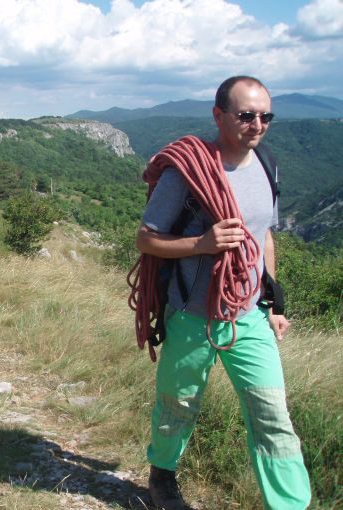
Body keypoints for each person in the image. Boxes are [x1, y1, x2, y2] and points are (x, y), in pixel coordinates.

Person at [135, 76, 310, 509]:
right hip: (194, 315)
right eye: (246, 115)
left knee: (272, 414)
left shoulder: (268, 165)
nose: (257, 124)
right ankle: (162, 477)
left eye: (265, 116)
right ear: (219, 116)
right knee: (179, 404)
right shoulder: (189, 173)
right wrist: (203, 244)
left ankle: (290, 504)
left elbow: (263, 235)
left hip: (247, 315)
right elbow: (146, 239)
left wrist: (271, 302)